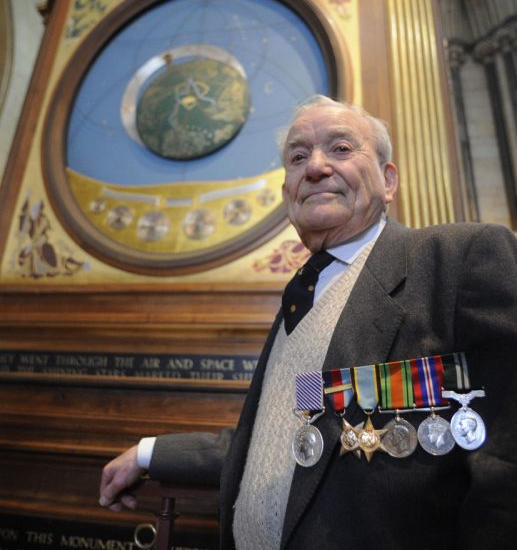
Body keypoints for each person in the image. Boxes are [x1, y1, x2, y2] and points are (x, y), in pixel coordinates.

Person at [100, 95, 517, 549]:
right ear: (288, 193)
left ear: (388, 178)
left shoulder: (458, 261)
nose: (315, 167)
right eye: (298, 157)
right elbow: (283, 439)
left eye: (340, 149)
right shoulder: (300, 301)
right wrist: (148, 452)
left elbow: (506, 462)